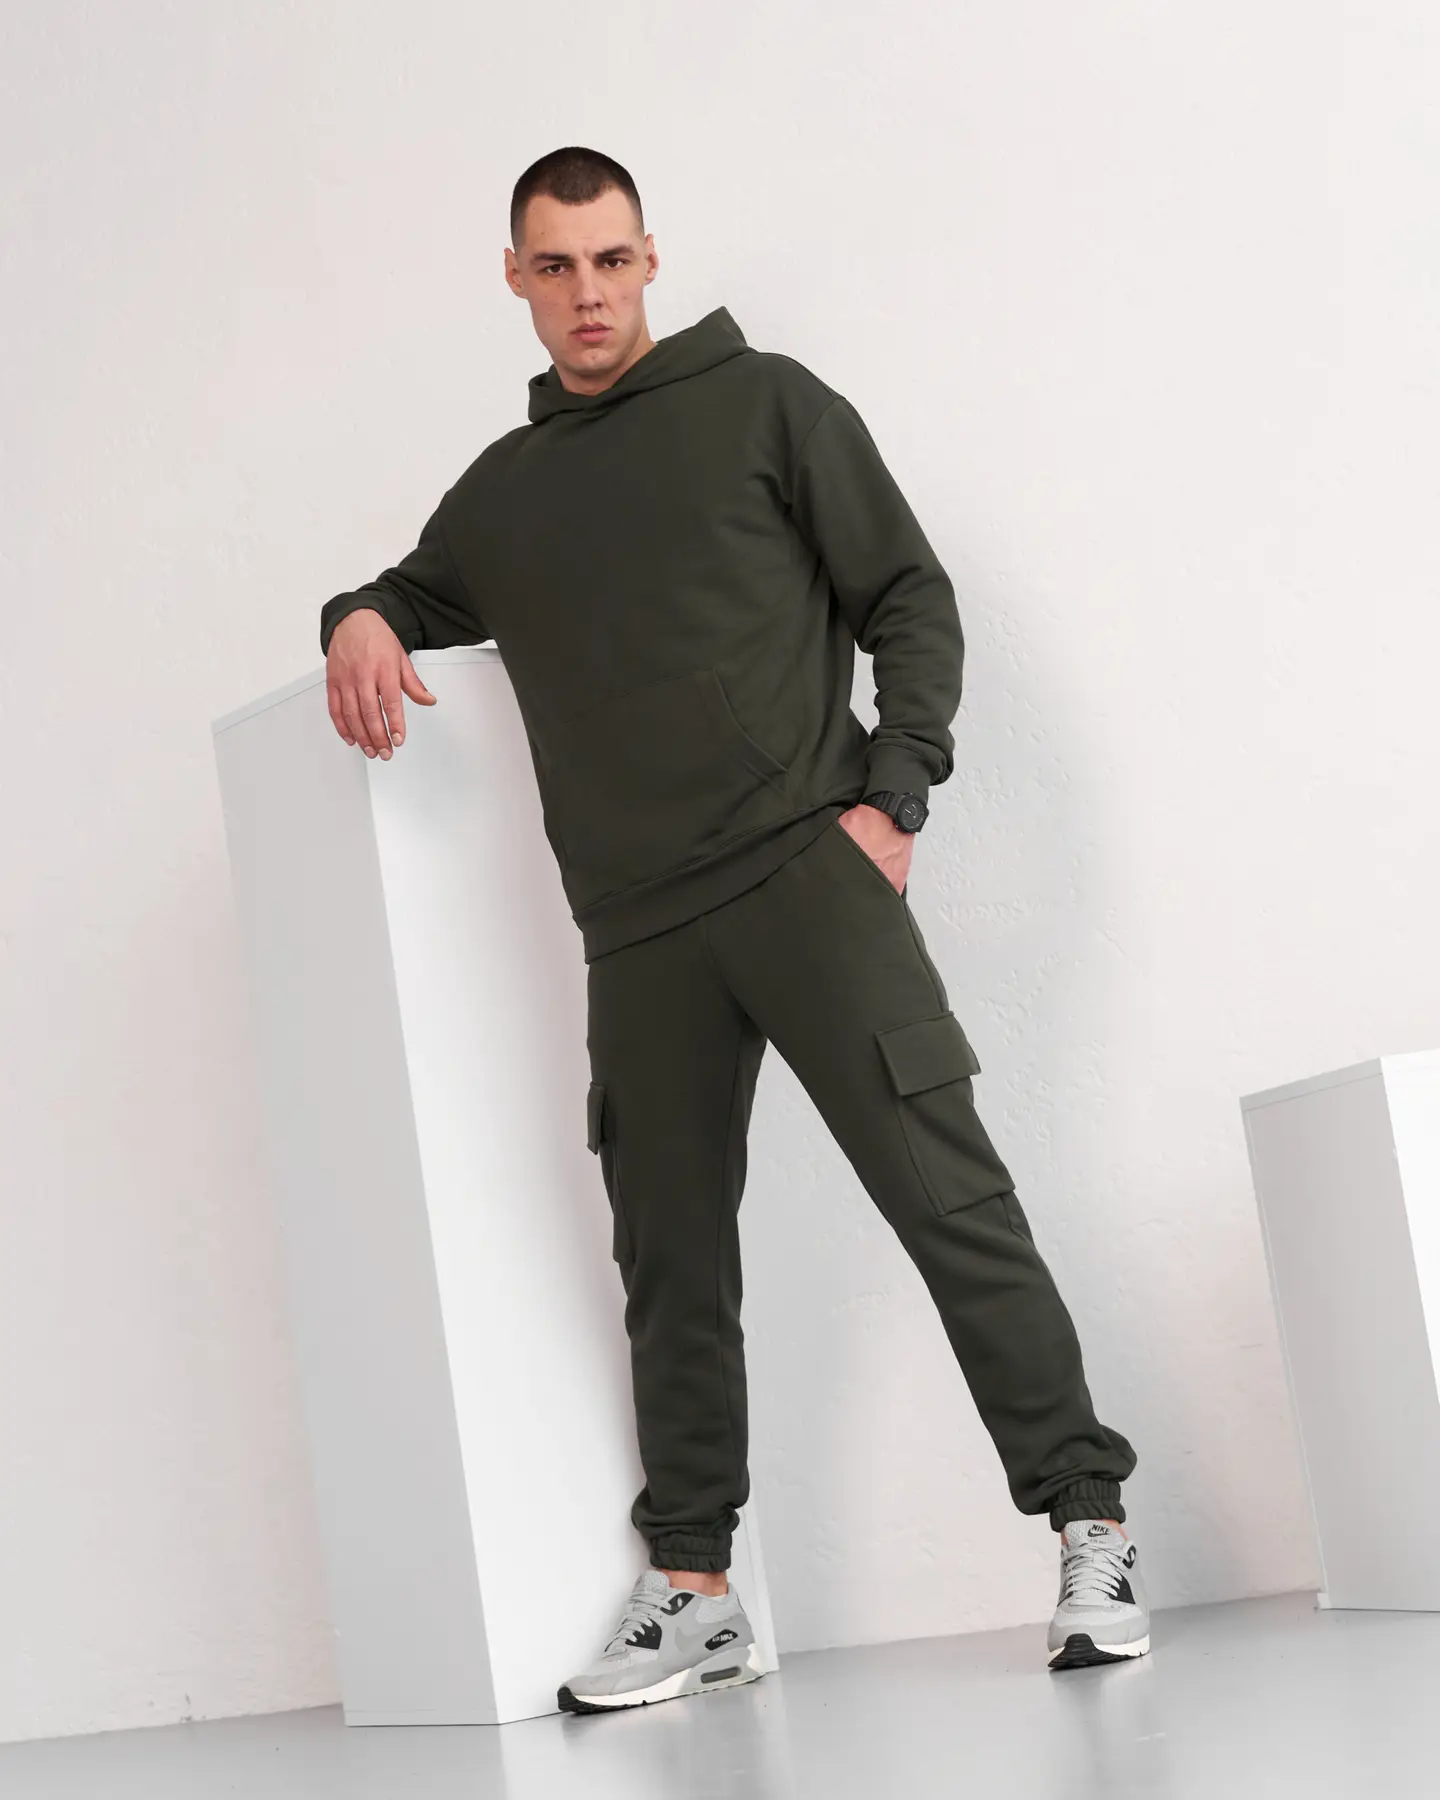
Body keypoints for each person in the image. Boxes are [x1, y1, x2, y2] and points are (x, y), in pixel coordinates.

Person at [319, 145, 1148, 1712]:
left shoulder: (769, 406)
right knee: (672, 1260)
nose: (587, 294)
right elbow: (407, 593)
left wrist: (896, 792)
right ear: (516, 279)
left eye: (610, 259)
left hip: (805, 877)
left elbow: (909, 594)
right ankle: (694, 1590)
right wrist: (356, 616)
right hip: (638, 933)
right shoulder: (502, 498)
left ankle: (1090, 1527)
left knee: (949, 1201)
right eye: (555, 266)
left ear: (648, 258)